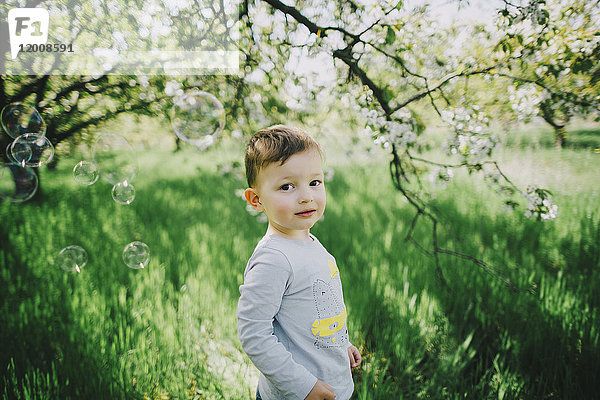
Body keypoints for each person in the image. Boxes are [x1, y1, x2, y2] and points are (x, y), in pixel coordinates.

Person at [237, 125, 361, 400]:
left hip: (334, 385)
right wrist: (302, 386)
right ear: (256, 200)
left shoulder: (308, 242)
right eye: (287, 186)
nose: (306, 195)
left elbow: (316, 309)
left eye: (314, 182)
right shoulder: (273, 259)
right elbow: (253, 333)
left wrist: (342, 345)